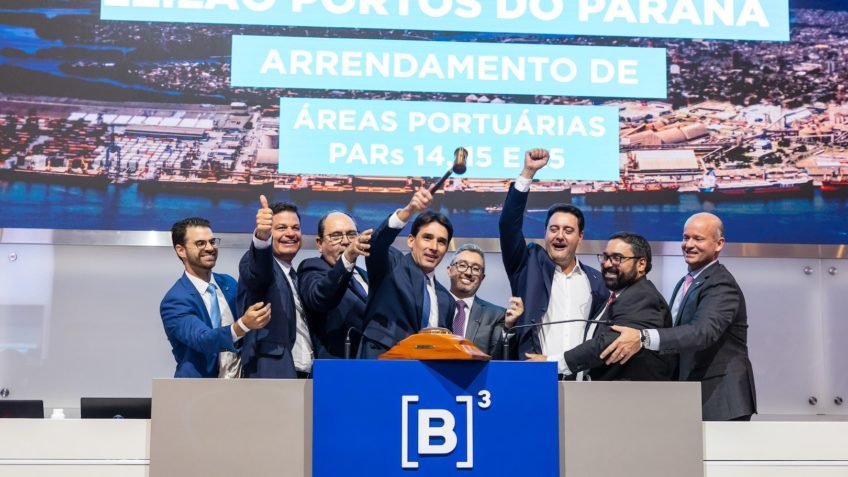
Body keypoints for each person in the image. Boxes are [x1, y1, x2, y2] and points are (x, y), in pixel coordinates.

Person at [600, 213, 757, 420]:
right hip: (693, 395)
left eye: (698, 239)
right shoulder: (686, 281)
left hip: (721, 399)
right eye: (686, 237)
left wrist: (642, 337)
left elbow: (702, 332)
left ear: (719, 244)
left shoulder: (721, 283)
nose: (689, 245)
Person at [499, 148, 609, 373]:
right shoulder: (527, 264)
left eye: (568, 230)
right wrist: (528, 172)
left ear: (580, 237)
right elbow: (508, 225)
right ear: (545, 233)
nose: (560, 236)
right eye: (554, 229)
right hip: (535, 377)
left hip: (582, 382)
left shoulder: (597, 281)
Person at [527, 232, 674, 381]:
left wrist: (552, 362)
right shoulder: (617, 296)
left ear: (641, 264)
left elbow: (610, 342)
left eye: (617, 258)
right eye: (605, 257)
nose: (608, 264)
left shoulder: (643, 296)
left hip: (631, 392)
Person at [160, 217, 270, 378]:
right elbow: (203, 339)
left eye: (212, 242)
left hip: (241, 383)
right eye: (200, 243)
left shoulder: (229, 284)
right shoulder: (175, 301)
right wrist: (243, 325)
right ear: (181, 250)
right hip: (199, 388)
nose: (210, 248)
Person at [359, 187, 456, 359]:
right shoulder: (392, 265)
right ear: (411, 241)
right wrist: (409, 211)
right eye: (427, 238)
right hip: (383, 365)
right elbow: (377, 244)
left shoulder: (446, 300)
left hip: (425, 372)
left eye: (441, 242)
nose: (434, 247)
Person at [238, 196, 313, 378]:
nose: (290, 233)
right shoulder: (256, 262)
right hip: (271, 372)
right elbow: (259, 272)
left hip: (306, 374)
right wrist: (262, 238)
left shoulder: (297, 276)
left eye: (295, 228)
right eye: (281, 228)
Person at [297, 212, 372, 359]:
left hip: (376, 362)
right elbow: (320, 298)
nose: (346, 241)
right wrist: (347, 258)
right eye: (336, 236)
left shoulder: (366, 276)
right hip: (339, 363)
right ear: (319, 244)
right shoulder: (312, 268)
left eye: (351, 234)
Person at [447, 243, 524, 358]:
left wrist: (508, 327)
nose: (468, 273)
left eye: (476, 269)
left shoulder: (496, 315)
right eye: (462, 265)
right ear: (449, 270)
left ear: (482, 278)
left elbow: (500, 358)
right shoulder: (433, 305)